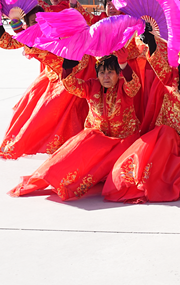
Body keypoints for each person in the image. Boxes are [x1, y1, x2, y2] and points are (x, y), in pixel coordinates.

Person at [104, 35, 180, 203]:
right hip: (171, 136)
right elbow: (158, 63)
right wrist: (151, 41)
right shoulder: (170, 77)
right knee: (160, 166)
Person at [10, 51, 142, 200]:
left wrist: (124, 64)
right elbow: (71, 86)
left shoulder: (124, 87)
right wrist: (67, 68)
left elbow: (134, 85)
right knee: (80, 143)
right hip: (98, 140)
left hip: (122, 142)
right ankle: (46, 177)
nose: (106, 77)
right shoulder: (91, 86)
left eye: (111, 72)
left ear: (118, 73)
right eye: (102, 72)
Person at [0, 6, 90, 159]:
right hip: (54, 75)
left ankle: (77, 145)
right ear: (28, 25)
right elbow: (13, 42)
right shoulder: (31, 36)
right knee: (41, 108)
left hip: (78, 72)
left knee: (68, 109)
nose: (37, 25)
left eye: (40, 21)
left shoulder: (54, 31)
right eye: (32, 22)